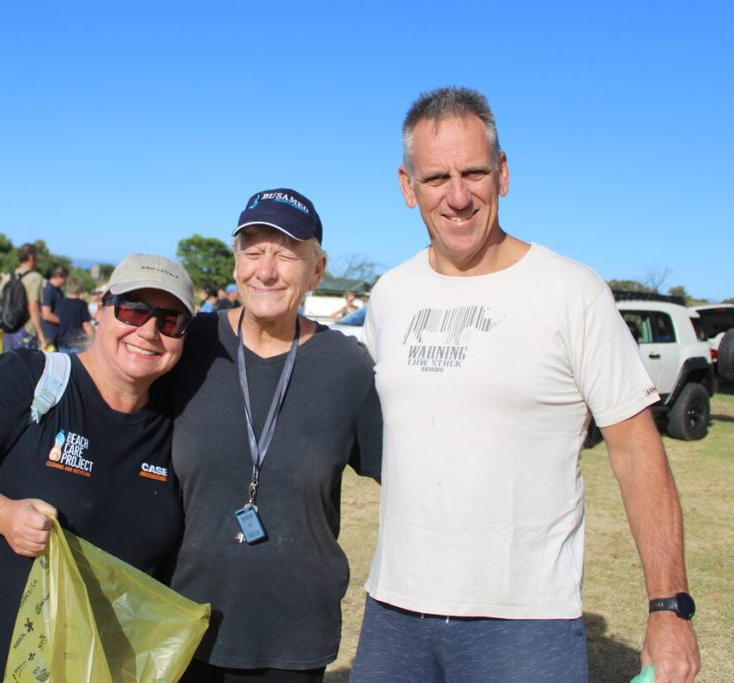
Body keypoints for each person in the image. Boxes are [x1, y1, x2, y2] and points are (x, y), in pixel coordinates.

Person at [349, 87, 700, 683]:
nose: (457, 197)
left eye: (474, 172)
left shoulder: (571, 292)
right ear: (407, 186)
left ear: (503, 173)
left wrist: (669, 608)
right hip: (394, 615)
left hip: (524, 625)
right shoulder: (390, 295)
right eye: (436, 178)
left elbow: (637, 451)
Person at [0, 253, 196, 682]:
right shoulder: (32, 379)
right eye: (133, 310)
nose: (147, 331)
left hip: (87, 665)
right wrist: (4, 515)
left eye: (170, 321)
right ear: (100, 311)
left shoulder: (174, 429)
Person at [163, 188, 383, 682]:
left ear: (317, 270)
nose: (266, 270)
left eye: (286, 254)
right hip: (181, 626)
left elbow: (406, 472)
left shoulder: (347, 366)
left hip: (296, 636)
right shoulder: (188, 345)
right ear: (236, 260)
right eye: (254, 250)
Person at [0, 243, 48, 351]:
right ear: (31, 257)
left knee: (10, 365)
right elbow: (33, 305)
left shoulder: (8, 276)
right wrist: (40, 334)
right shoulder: (35, 277)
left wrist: (2, 321)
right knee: (26, 366)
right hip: (27, 331)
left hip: (8, 331)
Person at [53, 276, 93, 353]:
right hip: (77, 342)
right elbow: (86, 325)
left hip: (62, 341)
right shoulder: (82, 304)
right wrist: (92, 340)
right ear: (80, 288)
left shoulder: (60, 303)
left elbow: (59, 319)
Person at [40, 265, 69, 347]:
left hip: (57, 332)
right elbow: (46, 315)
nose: (66, 281)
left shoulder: (59, 291)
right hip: (49, 332)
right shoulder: (48, 290)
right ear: (58, 276)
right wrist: (65, 322)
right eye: (65, 278)